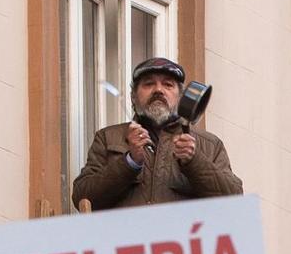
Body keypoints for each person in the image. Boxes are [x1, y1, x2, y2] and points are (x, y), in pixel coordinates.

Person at [72, 55, 242, 212]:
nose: (158, 90)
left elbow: (235, 201)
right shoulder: (108, 138)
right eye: (148, 84)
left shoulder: (209, 145)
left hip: (181, 243)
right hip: (126, 243)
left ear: (181, 97)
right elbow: (82, 197)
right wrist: (129, 162)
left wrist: (194, 161)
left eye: (168, 84)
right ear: (133, 97)